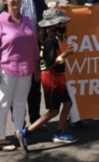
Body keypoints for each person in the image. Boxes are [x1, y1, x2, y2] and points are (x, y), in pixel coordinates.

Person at [16, 8, 78, 153]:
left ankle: (59, 132)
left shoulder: (48, 39)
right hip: (51, 78)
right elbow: (50, 64)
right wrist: (65, 54)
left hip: (55, 77)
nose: (63, 25)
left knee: (67, 103)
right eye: (60, 23)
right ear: (53, 25)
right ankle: (26, 132)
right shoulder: (50, 41)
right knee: (53, 110)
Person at [48, 0, 90, 128]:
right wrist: (52, 6)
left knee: (81, 85)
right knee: (69, 85)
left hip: (84, 49)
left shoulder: (84, 1)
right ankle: (73, 119)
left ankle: (79, 116)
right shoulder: (60, 2)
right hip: (66, 51)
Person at [0, 0, 39, 152]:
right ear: (4, 0)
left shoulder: (27, 20)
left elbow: (34, 44)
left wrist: (37, 65)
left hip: (26, 69)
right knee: (3, 103)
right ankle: (0, 138)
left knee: (21, 103)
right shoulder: (1, 20)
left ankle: (19, 132)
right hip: (6, 69)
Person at [12, 0, 47, 127]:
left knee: (35, 87)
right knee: (16, 92)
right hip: (14, 51)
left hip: (35, 48)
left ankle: (35, 120)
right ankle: (20, 126)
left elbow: (44, 17)